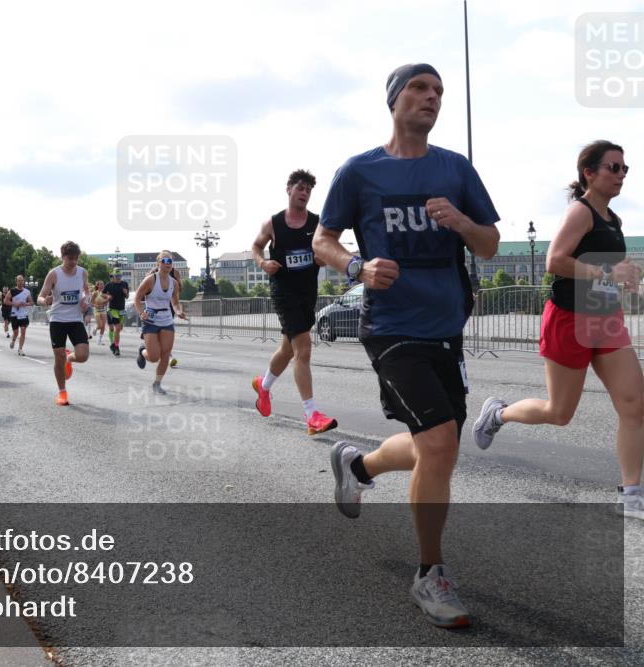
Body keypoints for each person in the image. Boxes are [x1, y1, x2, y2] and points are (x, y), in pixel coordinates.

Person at [313, 63, 500, 629]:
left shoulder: (455, 169)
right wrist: (356, 266)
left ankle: (359, 465)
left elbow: (489, 244)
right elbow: (323, 239)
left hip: (445, 327)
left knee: (434, 448)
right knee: (440, 442)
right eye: (420, 88)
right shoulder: (360, 171)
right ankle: (431, 575)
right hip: (391, 328)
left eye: (439, 91)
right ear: (394, 99)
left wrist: (462, 221)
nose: (432, 98)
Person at [473, 140, 643, 520]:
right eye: (613, 168)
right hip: (570, 318)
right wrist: (606, 272)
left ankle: (631, 493)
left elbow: (600, 267)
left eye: (624, 169)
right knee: (559, 412)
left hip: (604, 315)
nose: (621, 175)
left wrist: (624, 275)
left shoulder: (613, 220)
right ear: (590, 173)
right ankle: (498, 415)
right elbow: (554, 261)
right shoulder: (579, 213)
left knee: (636, 404)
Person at [250, 169, 337, 435]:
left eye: (309, 190)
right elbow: (256, 247)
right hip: (283, 291)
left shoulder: (317, 223)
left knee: (288, 350)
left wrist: (324, 257)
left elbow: (325, 250)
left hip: (307, 292)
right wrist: (263, 262)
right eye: (300, 188)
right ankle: (311, 415)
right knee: (303, 349)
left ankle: (263, 387)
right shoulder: (274, 223)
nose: (304, 193)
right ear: (289, 189)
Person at [37, 241, 91, 405]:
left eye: (76, 258)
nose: (73, 262)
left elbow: (86, 291)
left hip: (75, 319)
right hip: (58, 320)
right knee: (58, 357)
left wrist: (85, 300)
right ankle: (62, 393)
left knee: (83, 356)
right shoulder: (54, 274)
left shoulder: (82, 272)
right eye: (70, 258)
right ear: (63, 257)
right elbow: (40, 296)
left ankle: (70, 358)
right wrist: (44, 300)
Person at [133, 251, 187, 395]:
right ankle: (142, 351)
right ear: (158, 263)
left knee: (165, 354)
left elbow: (175, 302)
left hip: (167, 320)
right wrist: (141, 312)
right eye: (164, 261)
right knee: (153, 357)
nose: (167, 264)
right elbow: (137, 298)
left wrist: (179, 311)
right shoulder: (151, 280)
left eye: (170, 262)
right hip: (150, 320)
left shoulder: (174, 283)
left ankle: (157, 384)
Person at [103, 271, 130, 355]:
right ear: (113, 276)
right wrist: (108, 296)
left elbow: (127, 296)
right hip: (112, 310)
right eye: (117, 275)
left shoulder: (124, 284)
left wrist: (126, 293)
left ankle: (113, 344)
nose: (118, 277)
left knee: (119, 329)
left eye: (120, 275)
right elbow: (102, 293)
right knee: (117, 328)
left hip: (121, 309)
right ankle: (116, 347)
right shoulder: (109, 285)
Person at [5, 274, 33, 355]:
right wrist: (15, 304)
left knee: (23, 330)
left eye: (22, 280)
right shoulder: (12, 291)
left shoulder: (27, 292)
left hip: (24, 314)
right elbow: (6, 301)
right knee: (16, 332)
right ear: (16, 281)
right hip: (15, 314)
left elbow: (31, 302)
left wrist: (25, 304)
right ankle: (13, 340)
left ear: (23, 281)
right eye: (19, 280)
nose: (20, 282)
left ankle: (20, 349)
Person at [90, 280, 110, 345]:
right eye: (100, 284)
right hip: (96, 311)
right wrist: (97, 305)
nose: (102, 285)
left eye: (103, 284)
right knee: (100, 325)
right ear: (97, 285)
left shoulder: (105, 293)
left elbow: (107, 301)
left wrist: (106, 301)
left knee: (103, 326)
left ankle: (99, 340)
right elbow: (91, 302)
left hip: (103, 310)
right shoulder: (95, 293)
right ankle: (95, 329)